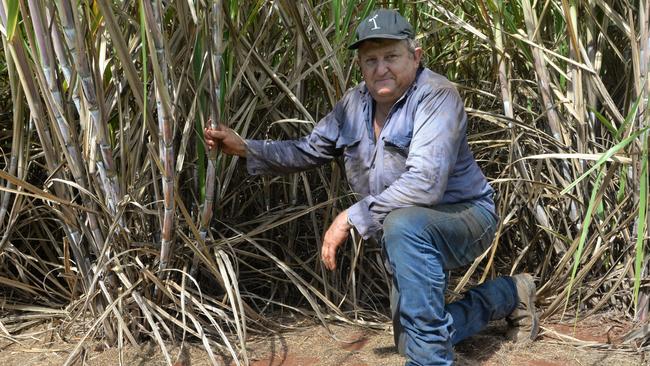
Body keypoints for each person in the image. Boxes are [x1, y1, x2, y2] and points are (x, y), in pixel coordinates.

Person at [204, 8, 539, 366]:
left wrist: (350, 216)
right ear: (361, 65)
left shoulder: (437, 96)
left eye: (391, 57)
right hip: (407, 233)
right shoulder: (353, 104)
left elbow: (425, 184)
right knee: (412, 339)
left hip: (466, 216)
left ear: (415, 55)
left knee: (403, 228)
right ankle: (510, 293)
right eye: (370, 60)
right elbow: (308, 149)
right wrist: (247, 148)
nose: (381, 69)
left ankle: (431, 361)